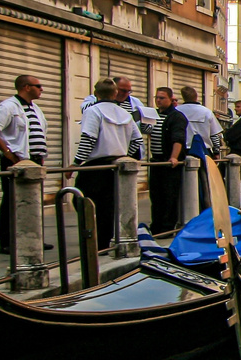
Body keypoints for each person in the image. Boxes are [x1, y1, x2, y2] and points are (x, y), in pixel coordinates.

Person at [0, 74, 49, 255]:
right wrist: (8, 153)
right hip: (17, 160)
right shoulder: (9, 107)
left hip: (34, 161)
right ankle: (7, 241)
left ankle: (32, 237)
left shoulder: (35, 108)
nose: (41, 89)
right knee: (12, 200)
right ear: (26, 87)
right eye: (38, 86)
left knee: (33, 200)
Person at [74, 79, 141, 250]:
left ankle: (94, 240)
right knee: (109, 205)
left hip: (96, 165)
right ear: (115, 94)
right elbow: (137, 140)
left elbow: (88, 138)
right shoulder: (124, 113)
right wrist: (125, 154)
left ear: (96, 93)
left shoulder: (93, 111)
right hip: (117, 165)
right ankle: (106, 240)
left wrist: (76, 162)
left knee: (84, 202)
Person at [176, 87, 225, 208]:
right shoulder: (206, 112)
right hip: (204, 150)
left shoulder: (177, 111)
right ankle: (205, 207)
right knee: (206, 182)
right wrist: (217, 152)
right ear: (196, 97)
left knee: (182, 183)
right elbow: (214, 135)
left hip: (183, 151)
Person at [148, 87, 188, 235]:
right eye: (157, 97)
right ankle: (156, 226)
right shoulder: (153, 115)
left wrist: (174, 157)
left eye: (162, 98)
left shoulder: (177, 117)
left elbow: (178, 138)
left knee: (169, 196)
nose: (158, 100)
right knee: (156, 195)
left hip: (169, 162)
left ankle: (167, 227)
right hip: (156, 161)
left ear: (171, 99)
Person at [81, 76, 151, 159]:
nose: (126, 94)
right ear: (114, 89)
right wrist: (104, 98)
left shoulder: (136, 103)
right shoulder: (93, 101)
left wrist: (143, 120)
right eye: (123, 90)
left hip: (128, 151)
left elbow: (145, 132)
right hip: (104, 152)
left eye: (129, 91)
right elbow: (85, 110)